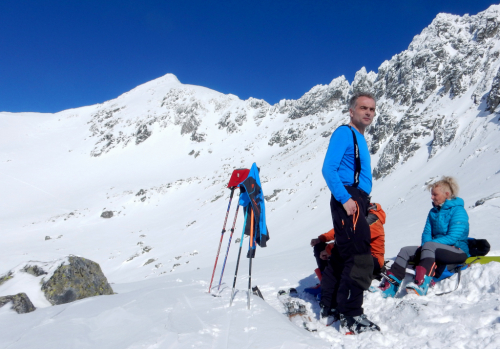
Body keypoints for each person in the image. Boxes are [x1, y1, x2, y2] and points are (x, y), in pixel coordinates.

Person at [320, 91, 379, 334]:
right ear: (351, 111)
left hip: (357, 199)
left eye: (372, 109)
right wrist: (345, 198)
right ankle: (351, 313)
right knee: (360, 256)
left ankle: (330, 304)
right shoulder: (345, 133)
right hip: (348, 196)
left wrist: (362, 201)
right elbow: (328, 169)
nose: (368, 112)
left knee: (343, 254)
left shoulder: (360, 138)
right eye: (363, 108)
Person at [379, 176, 469, 298]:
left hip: (457, 250)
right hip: (434, 248)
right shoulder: (433, 212)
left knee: (429, 245)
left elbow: (453, 237)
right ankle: (390, 286)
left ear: (447, 194)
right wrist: (426, 248)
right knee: (405, 250)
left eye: (435, 195)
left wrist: (428, 246)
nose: (432, 197)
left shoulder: (458, 211)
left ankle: (421, 284)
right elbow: (426, 233)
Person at [310, 202, 386, 279]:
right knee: (319, 247)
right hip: (358, 254)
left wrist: (330, 249)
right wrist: (322, 238)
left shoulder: (372, 220)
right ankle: (325, 280)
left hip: (373, 259)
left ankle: (338, 282)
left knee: (344, 253)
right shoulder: (358, 214)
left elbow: (353, 240)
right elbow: (342, 230)